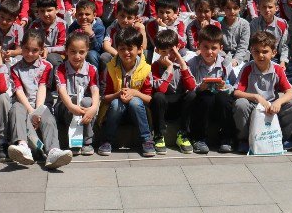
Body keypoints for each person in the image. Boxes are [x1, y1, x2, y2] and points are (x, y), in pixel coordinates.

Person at [7, 30, 73, 168]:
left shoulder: (46, 66)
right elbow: (18, 91)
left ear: (41, 50)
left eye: (35, 50)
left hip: (41, 103)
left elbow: (42, 87)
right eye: (26, 49)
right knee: (15, 109)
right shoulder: (14, 69)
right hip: (23, 104)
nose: (30, 54)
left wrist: (37, 111)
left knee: (48, 118)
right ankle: (22, 145)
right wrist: (31, 112)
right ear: (21, 47)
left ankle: (53, 151)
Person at [232, 30, 292, 153]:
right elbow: (237, 92)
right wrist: (256, 97)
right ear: (251, 51)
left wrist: (278, 102)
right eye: (256, 51)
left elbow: (290, 92)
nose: (260, 55)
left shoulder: (277, 69)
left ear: (274, 53)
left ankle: (280, 138)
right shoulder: (248, 68)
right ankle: (244, 140)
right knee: (240, 104)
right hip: (253, 105)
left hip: (272, 106)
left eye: (265, 52)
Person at [97, 26, 155, 157]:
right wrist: (118, 94)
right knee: (117, 104)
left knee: (135, 101)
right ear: (117, 49)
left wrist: (135, 93)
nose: (126, 52)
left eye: (130, 49)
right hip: (115, 111)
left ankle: (146, 140)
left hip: (138, 111)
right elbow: (104, 97)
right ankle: (107, 140)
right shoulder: (110, 68)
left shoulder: (146, 69)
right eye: (122, 49)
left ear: (139, 49)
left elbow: (149, 98)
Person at [183, 24, 236, 154]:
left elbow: (235, 86)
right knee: (206, 97)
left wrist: (225, 87)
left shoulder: (225, 64)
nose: (209, 52)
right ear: (198, 46)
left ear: (220, 48)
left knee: (224, 99)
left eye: (214, 48)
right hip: (201, 104)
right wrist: (199, 87)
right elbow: (187, 87)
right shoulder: (193, 63)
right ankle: (199, 138)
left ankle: (226, 138)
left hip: (220, 103)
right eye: (205, 47)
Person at [53, 32, 101, 156]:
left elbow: (95, 90)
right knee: (74, 99)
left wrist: (94, 108)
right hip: (65, 107)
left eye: (81, 52)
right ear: (66, 51)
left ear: (87, 52)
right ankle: (74, 142)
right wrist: (71, 106)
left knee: (87, 101)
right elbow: (62, 91)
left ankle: (87, 142)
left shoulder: (91, 69)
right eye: (73, 52)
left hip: (82, 107)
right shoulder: (60, 69)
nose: (77, 56)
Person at [148, 28, 194, 154]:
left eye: (172, 51)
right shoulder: (154, 67)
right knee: (158, 96)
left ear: (177, 48)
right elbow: (161, 89)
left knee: (192, 94)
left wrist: (179, 59)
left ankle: (183, 134)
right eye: (164, 52)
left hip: (179, 104)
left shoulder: (182, 65)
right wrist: (169, 67)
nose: (168, 56)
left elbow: (191, 86)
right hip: (163, 106)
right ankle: (159, 135)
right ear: (157, 51)